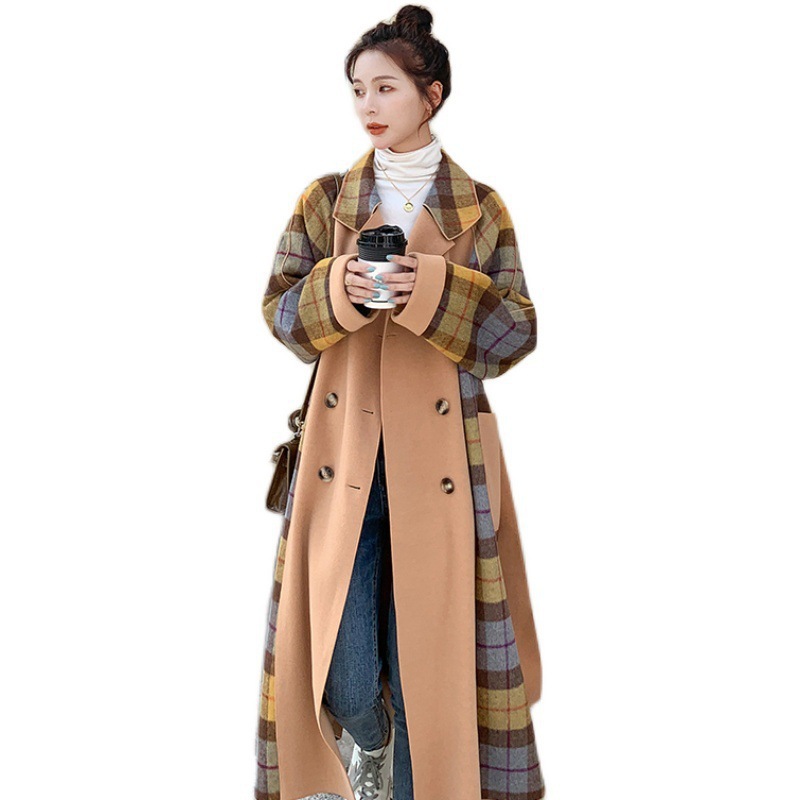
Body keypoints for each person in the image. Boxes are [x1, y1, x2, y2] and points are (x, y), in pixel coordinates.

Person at [255, 6, 545, 800]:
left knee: (431, 671)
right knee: (343, 674)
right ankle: (371, 744)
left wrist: (437, 290)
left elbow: (515, 336)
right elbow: (281, 314)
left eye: (385, 87)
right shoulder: (326, 200)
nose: (368, 105)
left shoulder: (480, 208)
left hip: (443, 467)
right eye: (358, 89)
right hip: (342, 458)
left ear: (432, 94)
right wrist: (336, 288)